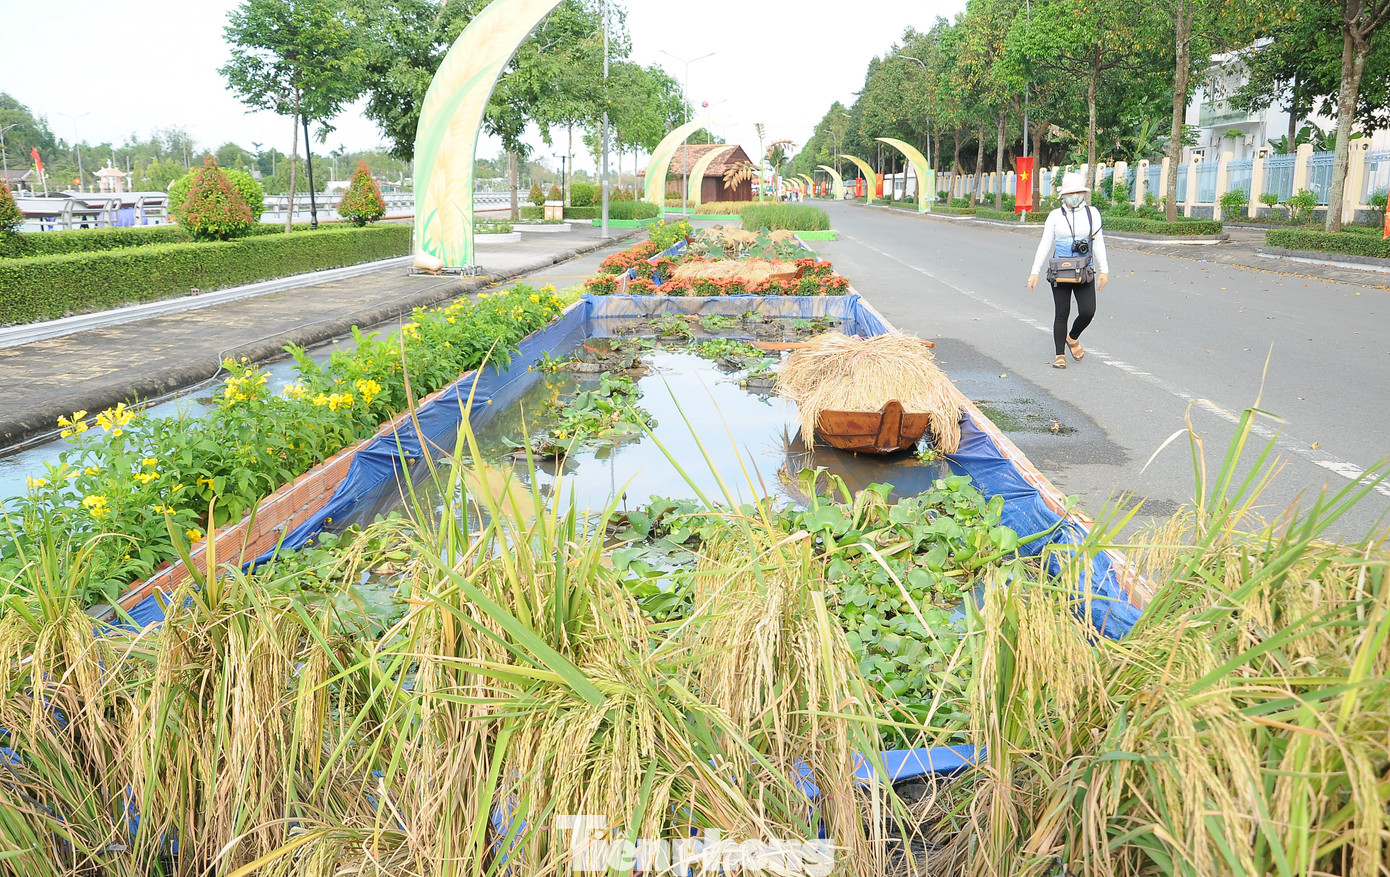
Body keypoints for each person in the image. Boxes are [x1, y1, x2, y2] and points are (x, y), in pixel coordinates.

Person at [1027, 172, 1109, 369]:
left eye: (1078, 192)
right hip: (1060, 272)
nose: (1074, 196)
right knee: (1061, 313)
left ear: (1083, 193)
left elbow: (1098, 243)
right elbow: (1045, 243)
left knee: (1088, 311)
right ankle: (1059, 354)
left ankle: (1072, 338)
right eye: (1070, 192)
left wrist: (1104, 270)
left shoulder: (1092, 214)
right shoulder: (1055, 216)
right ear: (1063, 195)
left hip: (1085, 271)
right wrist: (1034, 271)